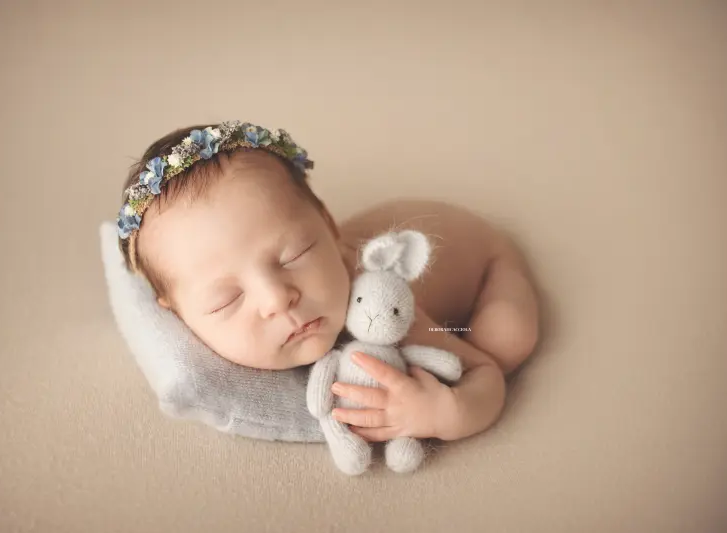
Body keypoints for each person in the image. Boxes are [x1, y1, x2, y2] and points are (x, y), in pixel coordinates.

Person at [116, 121, 539, 443]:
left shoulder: (377, 305)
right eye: (227, 300)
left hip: (483, 259)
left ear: (329, 227)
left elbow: (484, 377)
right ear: (176, 313)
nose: (278, 298)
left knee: (504, 344)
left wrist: (445, 413)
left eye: (295, 255)